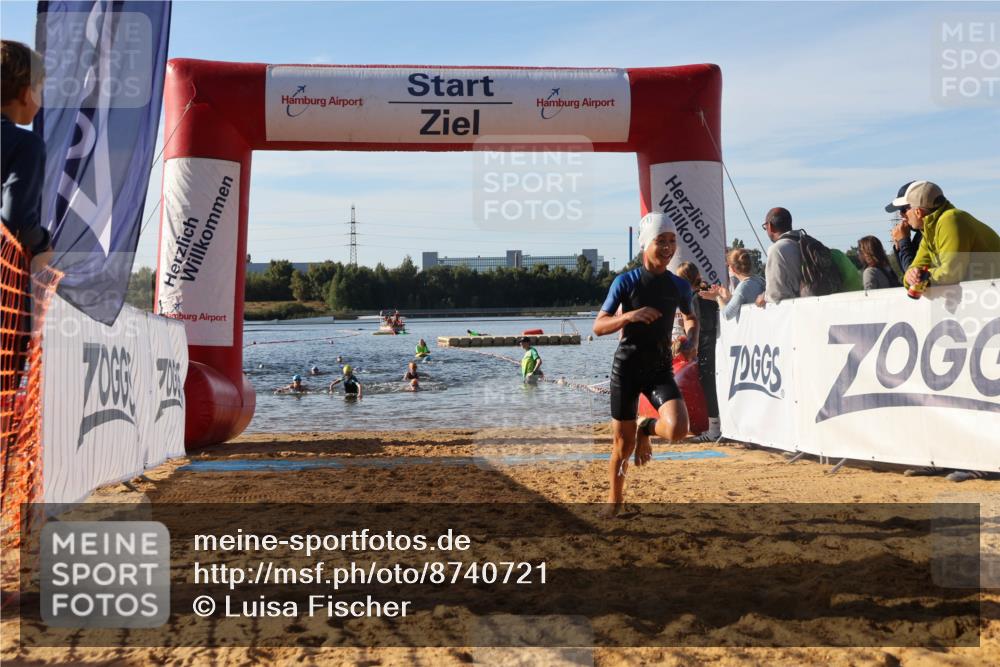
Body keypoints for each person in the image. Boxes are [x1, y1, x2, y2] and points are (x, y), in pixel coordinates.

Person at [593, 212, 698, 516]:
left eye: (671, 241)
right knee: (622, 448)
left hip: (659, 368)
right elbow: (598, 326)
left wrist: (690, 340)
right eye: (660, 241)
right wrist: (628, 316)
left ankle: (646, 428)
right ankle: (615, 503)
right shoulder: (626, 282)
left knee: (678, 428)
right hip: (626, 368)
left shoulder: (679, 286)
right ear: (645, 244)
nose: (667, 247)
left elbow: (690, 316)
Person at [2, 40, 49, 403]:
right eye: (40, 89)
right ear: (23, 91)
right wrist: (43, 243)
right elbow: (16, 218)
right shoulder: (26, 144)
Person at [890, 181, 1000, 288]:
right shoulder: (931, 229)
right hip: (986, 294)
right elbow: (913, 269)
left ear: (918, 212)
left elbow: (951, 273)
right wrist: (911, 275)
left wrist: (920, 276)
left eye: (904, 210)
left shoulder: (950, 219)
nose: (901, 215)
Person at [675, 262, 720, 442]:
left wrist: (688, 332)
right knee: (714, 385)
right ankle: (717, 426)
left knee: (709, 386)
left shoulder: (696, 297)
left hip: (707, 346)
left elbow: (704, 325)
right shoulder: (707, 291)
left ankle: (714, 429)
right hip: (716, 343)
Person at [755, 207, 804, 307]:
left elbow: (775, 294)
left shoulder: (777, 249)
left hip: (795, 313)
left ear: (770, 226)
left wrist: (763, 298)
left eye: (765, 227)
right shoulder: (803, 242)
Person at [702, 248, 766, 321]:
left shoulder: (743, 287)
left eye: (728, 266)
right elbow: (745, 300)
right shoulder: (760, 280)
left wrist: (718, 297)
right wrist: (729, 297)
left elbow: (727, 315)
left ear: (732, 268)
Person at [885, 181, 922, 274]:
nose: (901, 214)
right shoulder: (920, 234)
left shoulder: (930, 234)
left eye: (903, 209)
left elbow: (915, 276)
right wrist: (900, 247)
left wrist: (904, 241)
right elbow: (907, 275)